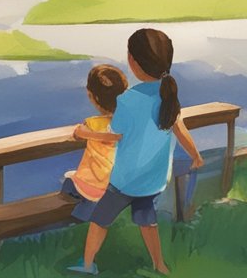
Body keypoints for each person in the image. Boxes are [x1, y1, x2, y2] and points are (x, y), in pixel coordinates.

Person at [69, 29, 203, 276]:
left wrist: (85, 134)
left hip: (125, 180)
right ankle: (159, 265)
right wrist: (195, 154)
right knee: (147, 221)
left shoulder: (129, 100)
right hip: (152, 179)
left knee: (99, 221)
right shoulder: (168, 94)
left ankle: (87, 265)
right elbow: (180, 128)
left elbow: (114, 135)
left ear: (133, 62)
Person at [61, 64, 128, 223]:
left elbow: (78, 133)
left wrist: (85, 132)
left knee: (69, 182)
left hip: (94, 187)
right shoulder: (128, 123)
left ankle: (75, 219)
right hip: (118, 185)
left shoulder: (92, 123)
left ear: (92, 96)